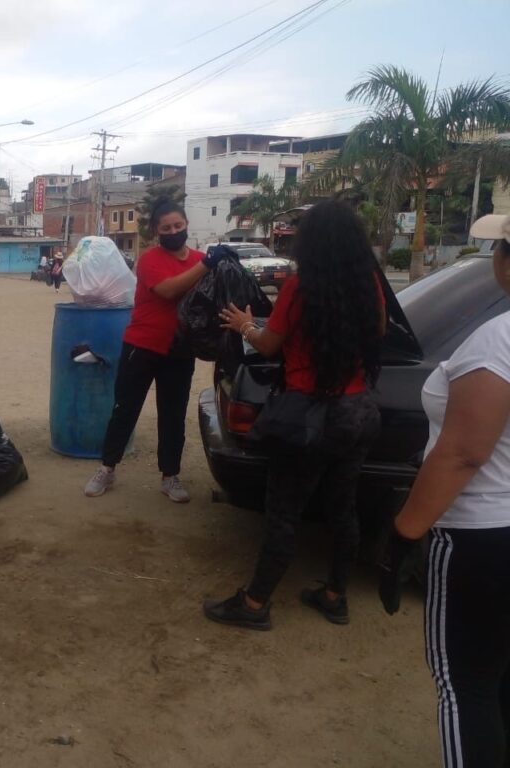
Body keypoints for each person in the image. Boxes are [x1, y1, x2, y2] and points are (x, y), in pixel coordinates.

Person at [204, 200, 384, 630]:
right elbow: (377, 333)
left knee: (284, 512)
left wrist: (245, 325)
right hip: (359, 412)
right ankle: (335, 596)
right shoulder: (370, 286)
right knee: (343, 508)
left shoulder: (300, 289)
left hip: (309, 417)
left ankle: (254, 604)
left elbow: (269, 345)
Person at [380, 214, 510, 767]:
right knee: (501, 672)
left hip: (482, 534)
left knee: (465, 684)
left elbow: (462, 453)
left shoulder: (496, 341)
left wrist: (403, 534)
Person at [84, 200, 227, 502]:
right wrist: (207, 265)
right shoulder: (151, 259)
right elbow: (168, 290)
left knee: (173, 414)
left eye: (178, 225)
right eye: (166, 228)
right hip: (142, 346)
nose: (174, 232)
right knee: (125, 409)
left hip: (180, 350)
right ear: (156, 231)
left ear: (186, 225)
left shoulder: (200, 259)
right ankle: (107, 468)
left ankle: (169, 476)